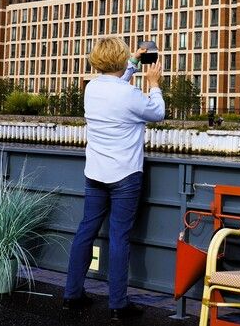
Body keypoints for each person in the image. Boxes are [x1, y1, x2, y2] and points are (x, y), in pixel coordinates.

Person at [63, 38, 164, 321]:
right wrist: (154, 83)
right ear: (120, 60)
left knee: (85, 231)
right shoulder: (128, 94)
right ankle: (118, 305)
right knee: (119, 238)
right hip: (125, 176)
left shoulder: (91, 89)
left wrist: (131, 63)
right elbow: (157, 112)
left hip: (95, 173)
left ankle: (72, 295)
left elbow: (115, 84)